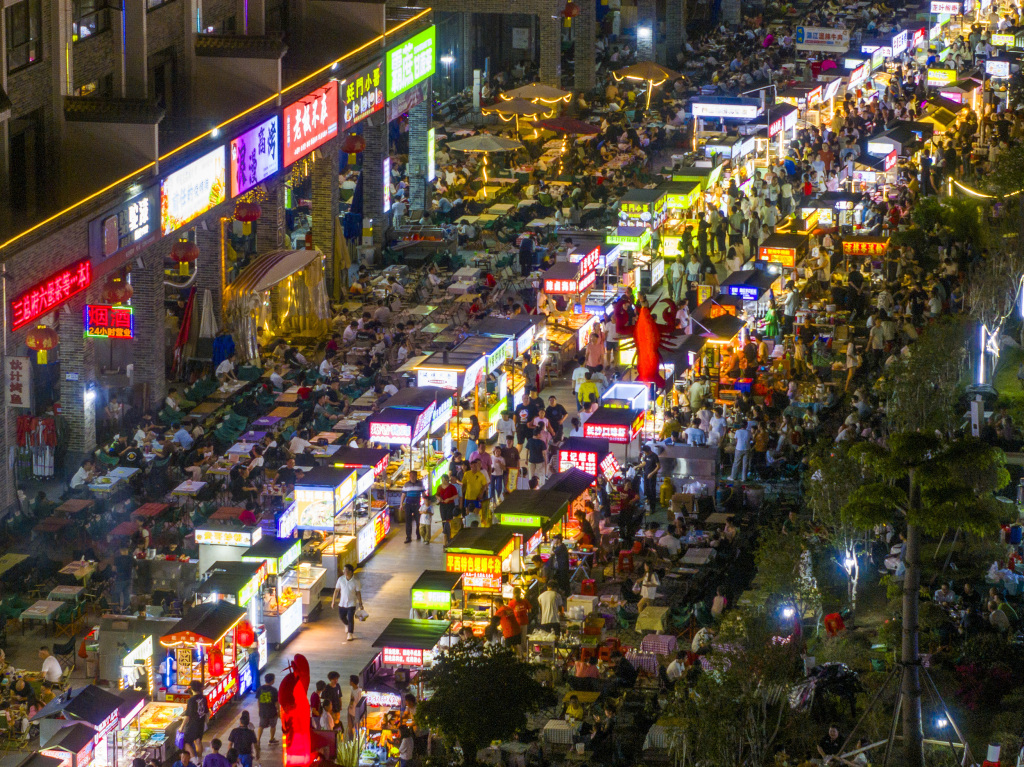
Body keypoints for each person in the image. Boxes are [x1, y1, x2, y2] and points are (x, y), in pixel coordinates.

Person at [332, 564, 363, 641]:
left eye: (346, 570)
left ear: (350, 571)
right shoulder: (341, 579)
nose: (344, 572)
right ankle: (346, 624)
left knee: (350, 618)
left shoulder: (356, 581)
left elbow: (358, 593)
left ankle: (350, 633)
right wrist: (333, 601)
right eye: (344, 570)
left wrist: (360, 603)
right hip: (342, 603)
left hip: (351, 603)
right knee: (342, 616)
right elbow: (336, 590)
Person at [183, 680, 209, 757]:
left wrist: (181, 727)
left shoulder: (191, 700)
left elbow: (188, 715)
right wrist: (206, 721)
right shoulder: (203, 698)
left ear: (192, 689)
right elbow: (207, 711)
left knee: (186, 743)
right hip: (200, 724)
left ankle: (194, 760)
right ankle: (199, 759)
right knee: (198, 741)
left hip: (192, 725)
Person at [256, 673, 279, 746]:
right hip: (272, 712)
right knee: (273, 726)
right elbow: (276, 703)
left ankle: (258, 740)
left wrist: (259, 709)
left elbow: (258, 701)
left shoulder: (260, 689)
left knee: (261, 725)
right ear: (272, 681)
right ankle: (271, 739)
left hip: (263, 711)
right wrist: (278, 711)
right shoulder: (274, 690)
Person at [401, 471, 424, 543]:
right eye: (411, 476)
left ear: (416, 476)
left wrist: (425, 504)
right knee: (408, 521)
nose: (412, 477)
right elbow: (403, 495)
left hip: (417, 505)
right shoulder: (406, 484)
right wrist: (401, 504)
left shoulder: (420, 484)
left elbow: (423, 494)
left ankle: (418, 534)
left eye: (414, 476)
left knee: (418, 521)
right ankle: (408, 537)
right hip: (408, 505)